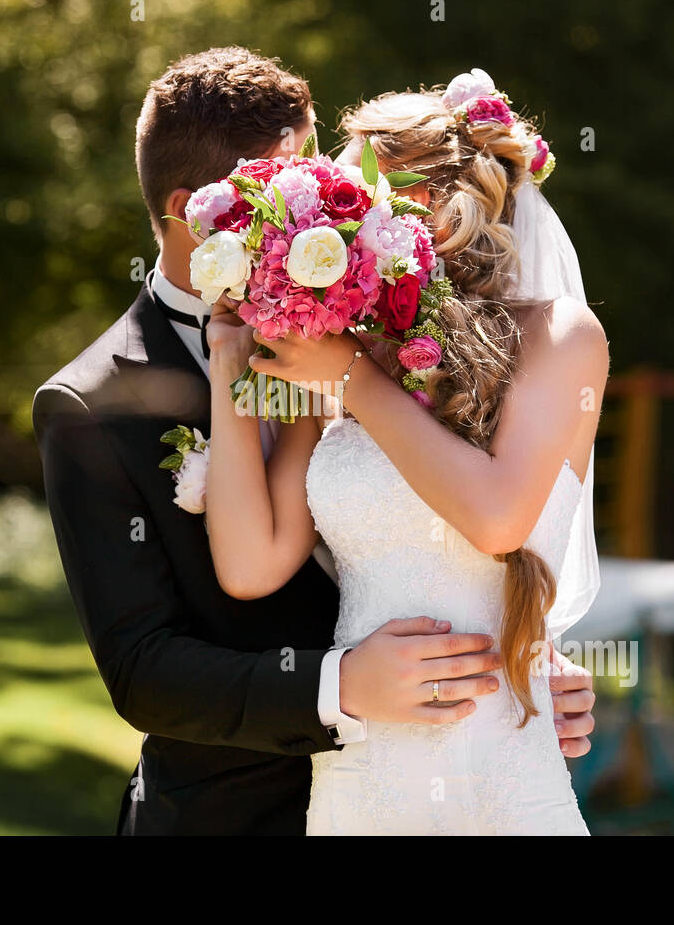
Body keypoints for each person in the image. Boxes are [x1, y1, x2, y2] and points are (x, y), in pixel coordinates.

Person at [34, 50, 596, 835]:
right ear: (191, 208)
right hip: (258, 808)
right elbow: (150, 669)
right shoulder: (90, 404)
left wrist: (525, 655)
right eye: (295, 194)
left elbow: (485, 528)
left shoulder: (376, 348)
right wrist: (341, 688)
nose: (321, 216)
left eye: (331, 192)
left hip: (478, 765)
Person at [204, 74, 608, 834]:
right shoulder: (344, 356)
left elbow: (496, 521)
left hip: (502, 782)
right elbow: (252, 564)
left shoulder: (561, 338)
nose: (325, 221)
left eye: (350, 199)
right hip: (361, 785)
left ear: (424, 212)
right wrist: (231, 360)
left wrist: (351, 379)